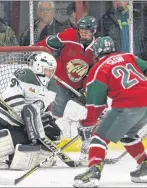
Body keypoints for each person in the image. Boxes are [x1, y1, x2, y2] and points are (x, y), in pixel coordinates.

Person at [73, 36, 147, 188]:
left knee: (99, 136)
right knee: (128, 135)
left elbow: (95, 104)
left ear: (96, 53)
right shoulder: (128, 56)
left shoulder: (98, 68)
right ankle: (145, 166)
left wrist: (88, 123)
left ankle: (93, 171)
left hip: (127, 106)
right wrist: (142, 91)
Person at [35, 15, 97, 166]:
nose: (83, 33)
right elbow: (45, 44)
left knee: (94, 113)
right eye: (81, 30)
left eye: (87, 31)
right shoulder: (69, 35)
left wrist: (87, 88)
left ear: (93, 31)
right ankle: (45, 149)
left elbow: (95, 70)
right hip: (59, 83)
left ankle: (88, 149)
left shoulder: (96, 47)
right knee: (52, 117)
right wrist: (36, 53)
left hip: (81, 88)